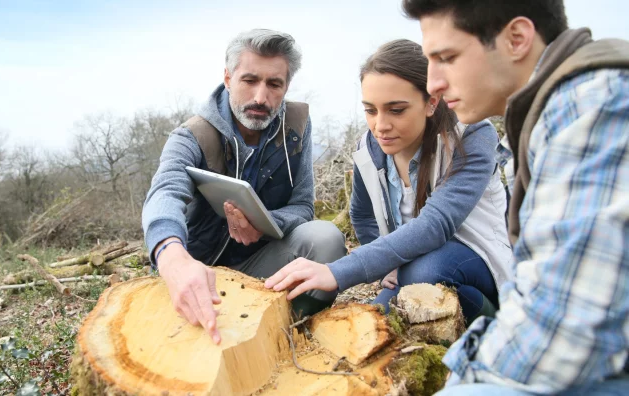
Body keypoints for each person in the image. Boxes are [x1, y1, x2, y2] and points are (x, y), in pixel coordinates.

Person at [400, 0, 629, 393]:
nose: (433, 82)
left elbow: (567, 330)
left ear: (517, 38)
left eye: (447, 57)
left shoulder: (594, 106)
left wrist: (461, 376)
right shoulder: (554, 112)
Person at [264, 39, 513, 325]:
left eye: (396, 110)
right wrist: (386, 267)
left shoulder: (471, 136)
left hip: (481, 263)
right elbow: (361, 213)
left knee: (424, 271)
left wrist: (338, 272)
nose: (380, 125)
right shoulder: (368, 149)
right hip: (410, 265)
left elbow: (435, 226)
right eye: (371, 110)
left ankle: (497, 323)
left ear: (431, 102)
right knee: (376, 319)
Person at [142, 29, 346, 345]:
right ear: (228, 77)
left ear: (286, 86)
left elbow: (303, 206)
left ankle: (291, 334)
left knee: (326, 238)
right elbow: (165, 193)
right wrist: (171, 256)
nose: (261, 98)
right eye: (249, 80)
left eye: (274, 84)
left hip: (265, 268)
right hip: (204, 272)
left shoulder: (296, 126)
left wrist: (265, 223)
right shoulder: (191, 136)